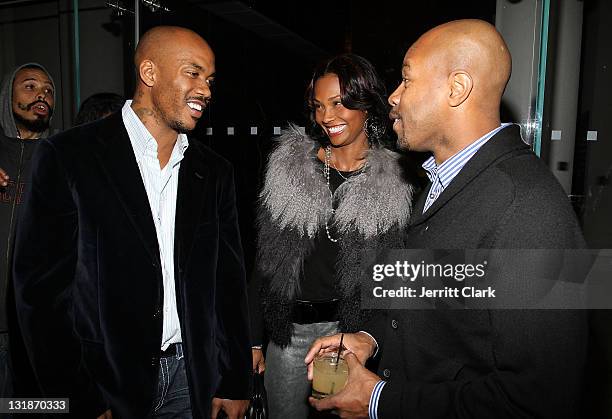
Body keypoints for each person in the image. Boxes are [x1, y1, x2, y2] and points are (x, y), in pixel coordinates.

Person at [305, 19, 587, 418]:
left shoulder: (530, 208)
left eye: (406, 80)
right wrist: (370, 337)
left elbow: (541, 399)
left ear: (456, 89)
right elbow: (427, 298)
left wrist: (380, 401)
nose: (394, 97)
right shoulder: (439, 185)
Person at [12, 26, 251, 419]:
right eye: (193, 73)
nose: (206, 90)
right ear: (150, 73)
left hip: (190, 379)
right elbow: (39, 295)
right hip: (104, 383)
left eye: (209, 79)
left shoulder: (214, 172)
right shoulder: (69, 156)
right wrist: (78, 396)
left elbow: (228, 283)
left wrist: (234, 377)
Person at [249, 53, 414, 418]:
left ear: (366, 105)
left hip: (347, 332)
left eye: (339, 103)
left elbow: (394, 276)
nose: (326, 117)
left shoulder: (395, 182)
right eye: (319, 106)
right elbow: (265, 260)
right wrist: (253, 338)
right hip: (287, 332)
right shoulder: (290, 168)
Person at [0, 62, 55, 398]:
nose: (42, 95)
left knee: (40, 408)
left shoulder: (62, 155)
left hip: (36, 329)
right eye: (31, 87)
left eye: (48, 90)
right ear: (8, 96)